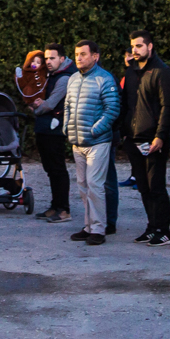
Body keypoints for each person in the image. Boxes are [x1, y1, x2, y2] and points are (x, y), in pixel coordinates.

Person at [123, 32, 170, 245]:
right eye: (133, 46)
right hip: (132, 138)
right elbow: (126, 104)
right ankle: (152, 226)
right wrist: (124, 132)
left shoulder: (162, 72)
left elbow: (167, 107)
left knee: (156, 185)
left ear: (150, 46)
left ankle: (164, 230)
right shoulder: (131, 71)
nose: (135, 50)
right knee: (143, 187)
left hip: (153, 139)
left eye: (139, 46)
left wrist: (160, 136)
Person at [62, 40, 119, 246]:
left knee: (95, 186)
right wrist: (67, 127)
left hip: (98, 142)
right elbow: (67, 105)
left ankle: (98, 229)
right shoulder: (73, 79)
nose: (78, 58)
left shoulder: (105, 78)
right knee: (83, 186)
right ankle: (88, 227)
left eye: (83, 54)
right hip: (77, 142)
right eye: (76, 54)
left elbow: (112, 109)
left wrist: (94, 130)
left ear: (95, 56)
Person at [23, 44, 72, 222]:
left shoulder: (64, 78)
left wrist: (36, 108)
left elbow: (50, 104)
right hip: (44, 128)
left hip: (54, 130)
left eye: (52, 58)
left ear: (62, 58)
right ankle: (55, 206)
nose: (48, 61)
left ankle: (63, 209)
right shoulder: (49, 75)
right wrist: (32, 103)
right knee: (51, 169)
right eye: (46, 58)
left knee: (58, 169)